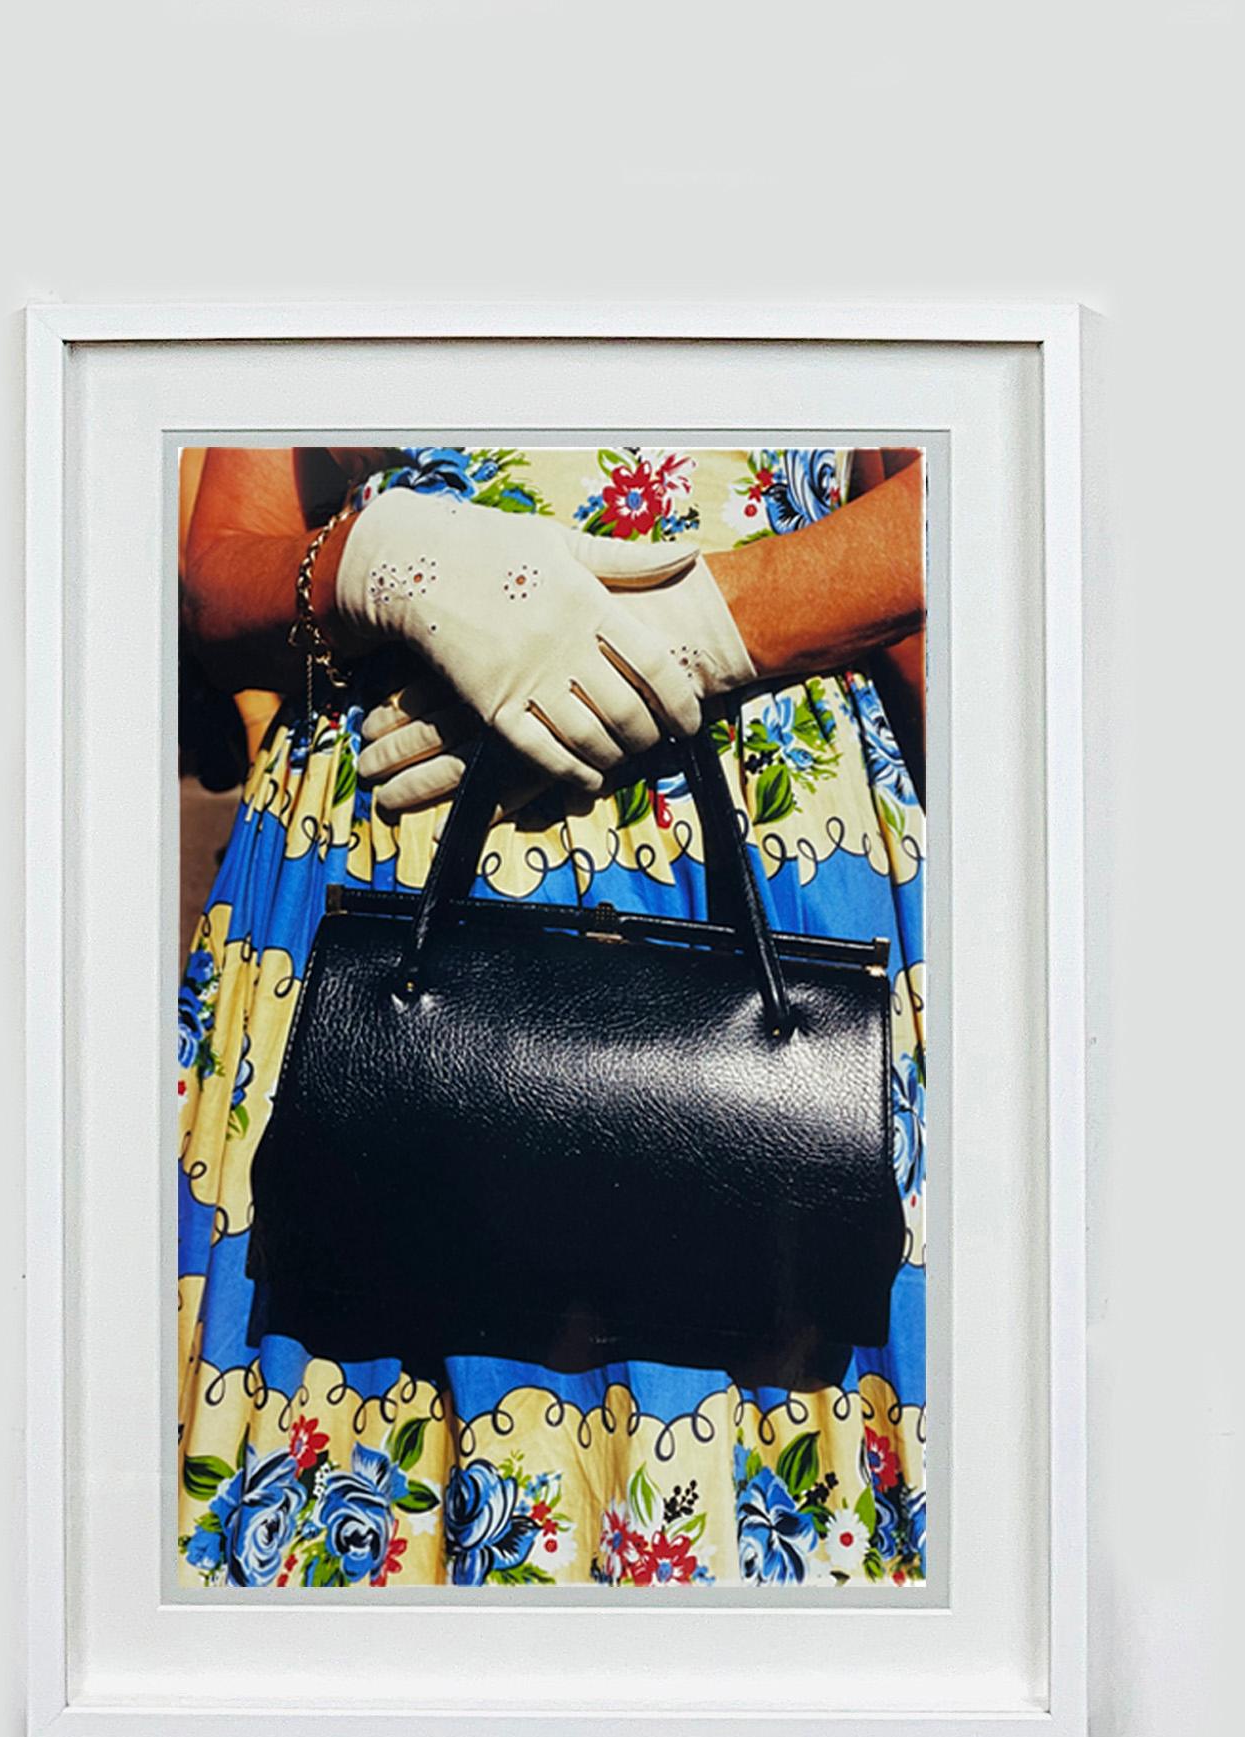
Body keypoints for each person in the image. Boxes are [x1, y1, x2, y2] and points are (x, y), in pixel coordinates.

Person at [176, 445, 927, 1590]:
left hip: (742, 836)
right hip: (380, 853)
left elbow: (1002, 476)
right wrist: (372, 562)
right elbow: (216, 572)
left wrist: (686, 632)